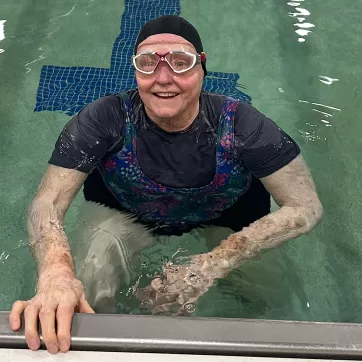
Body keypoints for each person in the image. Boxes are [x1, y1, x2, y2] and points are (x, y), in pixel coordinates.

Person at [9, 15, 323, 354]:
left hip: (228, 220)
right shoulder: (103, 120)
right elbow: (47, 202)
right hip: (127, 216)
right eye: (147, 64)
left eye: (180, 62)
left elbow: (305, 207)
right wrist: (56, 273)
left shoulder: (244, 126)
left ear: (202, 68)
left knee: (269, 299)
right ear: (135, 72)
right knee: (91, 282)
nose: (163, 78)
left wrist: (211, 264)